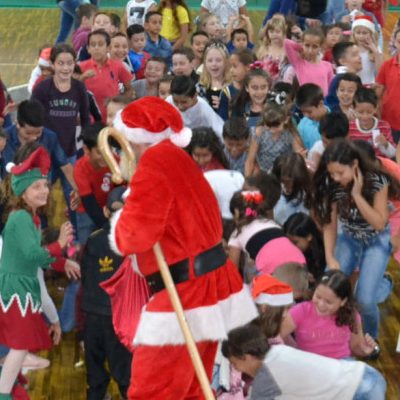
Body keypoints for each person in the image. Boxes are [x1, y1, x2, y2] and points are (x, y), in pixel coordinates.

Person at [109, 96, 258, 399]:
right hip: (211, 283)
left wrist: (121, 217)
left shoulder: (152, 164)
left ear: (133, 138)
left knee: (153, 389)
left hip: (186, 291)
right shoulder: (178, 159)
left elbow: (131, 238)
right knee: (189, 386)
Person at [0, 145, 79, 399]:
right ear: (22, 192)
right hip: (14, 289)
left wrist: (60, 261)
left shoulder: (30, 217)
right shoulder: (20, 218)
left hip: (22, 286)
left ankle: (11, 385)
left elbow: (38, 256)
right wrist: (61, 246)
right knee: (20, 346)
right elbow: (34, 255)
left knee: (20, 347)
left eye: (45, 185)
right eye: (37, 187)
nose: (44, 190)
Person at [312, 139, 396, 340]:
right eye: (332, 173)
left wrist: (357, 195)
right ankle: (328, 334)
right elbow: (329, 225)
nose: (335, 177)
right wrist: (330, 257)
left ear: (355, 165)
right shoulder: (332, 185)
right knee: (329, 286)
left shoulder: (377, 182)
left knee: (365, 300)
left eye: (340, 173)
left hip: (376, 241)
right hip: (349, 238)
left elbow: (379, 223)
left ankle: (369, 339)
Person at [222, 323, 387, 400]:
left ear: (247, 356)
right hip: (365, 374)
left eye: (235, 363)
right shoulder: (278, 351)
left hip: (359, 392)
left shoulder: (265, 378)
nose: (238, 369)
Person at [81, 188, 132, 400]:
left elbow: (85, 277)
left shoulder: (94, 240)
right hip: (119, 320)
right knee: (125, 378)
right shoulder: (133, 243)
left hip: (92, 315)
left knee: (95, 379)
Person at [281, 270, 381, 359]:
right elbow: (276, 335)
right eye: (318, 296)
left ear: (343, 301)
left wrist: (364, 350)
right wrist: (292, 352)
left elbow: (355, 348)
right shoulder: (301, 311)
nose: (321, 304)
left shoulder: (352, 316)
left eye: (328, 302)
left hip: (340, 365)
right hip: (309, 366)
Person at [228, 186, 306, 276]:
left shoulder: (237, 233)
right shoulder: (272, 223)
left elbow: (232, 271)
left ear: (236, 212)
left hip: (273, 270)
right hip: (299, 262)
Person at [32, 43, 90, 160]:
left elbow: (85, 118)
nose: (65, 68)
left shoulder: (79, 88)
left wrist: (87, 141)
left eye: (70, 63)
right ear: (52, 64)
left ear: (75, 63)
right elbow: (31, 117)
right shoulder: (42, 89)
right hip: (45, 152)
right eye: (60, 63)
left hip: (69, 152)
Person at [73, 122, 117, 245]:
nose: (105, 156)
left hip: (108, 208)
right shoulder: (80, 168)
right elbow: (89, 203)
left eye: (108, 150)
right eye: (99, 152)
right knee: (87, 244)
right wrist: (106, 225)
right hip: (87, 211)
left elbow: (121, 189)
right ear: (87, 150)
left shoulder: (116, 162)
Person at [79, 30, 133, 123]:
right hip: (89, 118)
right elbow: (72, 89)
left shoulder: (118, 66)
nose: (96, 48)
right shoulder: (81, 67)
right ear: (88, 48)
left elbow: (129, 89)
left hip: (112, 119)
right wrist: (82, 78)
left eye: (100, 44)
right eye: (93, 44)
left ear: (108, 47)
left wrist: (119, 104)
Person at [245, 104, 301, 175]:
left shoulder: (290, 134)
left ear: (286, 120)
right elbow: (250, 160)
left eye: (276, 126)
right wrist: (247, 180)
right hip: (263, 171)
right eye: (268, 126)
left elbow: (300, 156)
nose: (272, 130)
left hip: (283, 172)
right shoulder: (259, 132)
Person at [348, 87, 397, 159]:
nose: (365, 116)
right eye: (360, 112)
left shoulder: (384, 126)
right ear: (353, 108)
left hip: (380, 165)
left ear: (375, 108)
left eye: (369, 112)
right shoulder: (350, 127)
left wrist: (386, 144)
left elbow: (393, 154)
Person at [284, 28, 334, 96]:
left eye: (315, 47)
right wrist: (301, 48)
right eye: (307, 45)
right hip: (305, 102)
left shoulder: (327, 66)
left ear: (321, 47)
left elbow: (331, 88)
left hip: (322, 103)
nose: (310, 50)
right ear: (302, 44)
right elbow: (286, 43)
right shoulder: (299, 63)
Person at [284, 213, 326, 283]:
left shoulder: (324, 254)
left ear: (309, 237)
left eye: (295, 243)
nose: (292, 247)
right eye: (289, 243)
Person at [271, 153, 311, 225]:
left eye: (293, 182)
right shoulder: (273, 188)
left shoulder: (308, 188)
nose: (290, 186)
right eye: (285, 182)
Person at [376, 27, 400, 143]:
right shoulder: (387, 65)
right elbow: (378, 93)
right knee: (392, 156)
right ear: (395, 42)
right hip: (390, 121)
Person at [197, 40, 232, 119]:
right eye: (210, 61)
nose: (214, 64)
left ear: (226, 62)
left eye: (218, 60)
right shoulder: (200, 87)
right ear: (205, 63)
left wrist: (225, 105)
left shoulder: (232, 87)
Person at [326, 41, 363, 109]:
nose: (360, 57)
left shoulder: (351, 78)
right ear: (342, 61)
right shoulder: (341, 80)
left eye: (359, 54)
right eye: (354, 55)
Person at [257, 16, 293, 84]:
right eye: (271, 32)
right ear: (267, 33)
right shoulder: (264, 49)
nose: (274, 34)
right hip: (264, 83)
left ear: (283, 33)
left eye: (278, 32)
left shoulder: (287, 50)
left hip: (281, 84)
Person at [296, 83, 330, 150]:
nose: (305, 115)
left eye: (309, 112)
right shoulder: (302, 125)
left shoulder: (337, 120)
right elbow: (299, 147)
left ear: (320, 104)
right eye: (302, 112)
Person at [352, 15, 383, 85]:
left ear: (371, 34)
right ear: (353, 34)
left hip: (369, 85)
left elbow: (380, 71)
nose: (361, 36)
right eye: (358, 33)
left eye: (365, 33)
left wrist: (375, 52)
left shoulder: (375, 49)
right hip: (353, 85)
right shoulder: (350, 47)